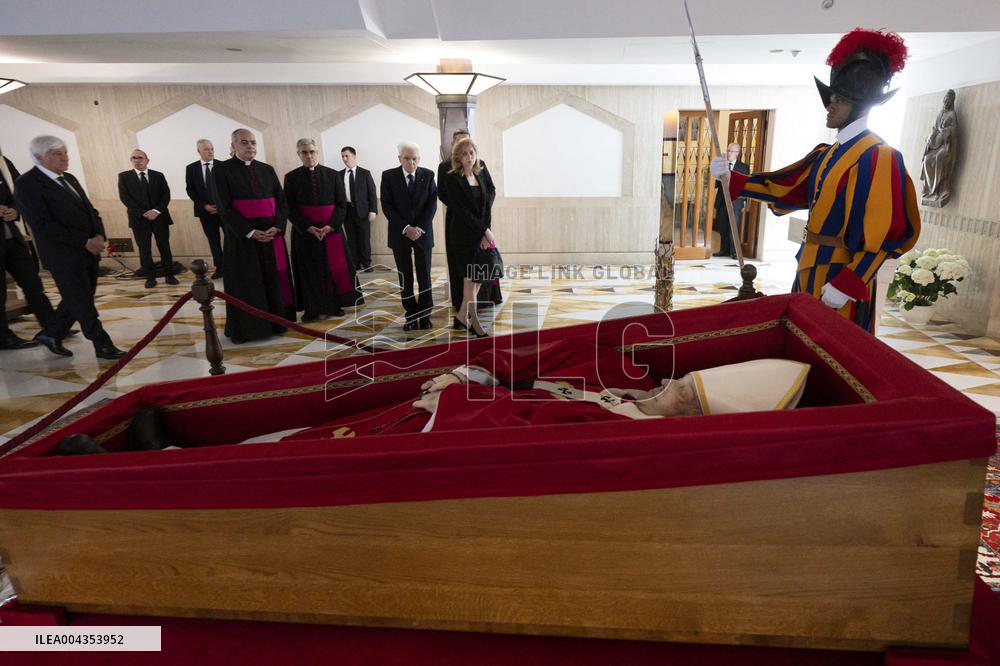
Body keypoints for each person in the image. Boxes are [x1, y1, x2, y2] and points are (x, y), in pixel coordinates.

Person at [711, 28, 920, 333]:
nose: (829, 105)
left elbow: (884, 235)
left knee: (835, 348)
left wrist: (850, 282)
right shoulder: (829, 153)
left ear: (860, 104)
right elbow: (787, 190)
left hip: (840, 277)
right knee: (805, 341)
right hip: (809, 267)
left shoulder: (879, 156)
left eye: (839, 99)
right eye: (831, 97)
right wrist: (732, 178)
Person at [14, 135, 125, 359]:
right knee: (82, 300)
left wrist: (99, 235)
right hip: (62, 254)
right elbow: (42, 224)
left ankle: (51, 333)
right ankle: (102, 344)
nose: (65, 158)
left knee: (80, 297)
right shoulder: (27, 184)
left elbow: (90, 211)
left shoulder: (69, 178)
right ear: (39, 157)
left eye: (65, 152)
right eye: (57, 154)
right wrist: (84, 241)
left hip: (88, 250)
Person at [213, 128, 293, 343]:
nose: (250, 146)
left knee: (272, 281)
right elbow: (224, 206)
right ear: (233, 146)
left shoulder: (267, 169)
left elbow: (281, 202)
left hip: (270, 236)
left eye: (253, 142)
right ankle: (246, 330)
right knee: (247, 283)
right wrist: (249, 232)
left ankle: (277, 324)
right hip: (243, 239)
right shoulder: (221, 170)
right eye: (244, 142)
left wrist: (277, 227)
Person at [284, 138, 363, 322]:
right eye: (304, 152)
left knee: (334, 268)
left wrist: (331, 226)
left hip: (331, 230)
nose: (309, 155)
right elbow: (289, 207)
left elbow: (341, 204)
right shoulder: (291, 177)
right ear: (299, 154)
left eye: (312, 151)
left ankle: (335, 306)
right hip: (305, 233)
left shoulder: (332, 175)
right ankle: (312, 309)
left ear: (317, 152)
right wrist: (307, 227)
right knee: (308, 270)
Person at [0, 144, 57, 351]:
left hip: (11, 236)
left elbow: (19, 190)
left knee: (33, 283)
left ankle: (53, 327)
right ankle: (3, 337)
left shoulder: (3, 162)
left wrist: (15, 211)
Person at [437, 128, 502, 310]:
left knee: (483, 266)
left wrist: (481, 210)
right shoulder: (446, 168)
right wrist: (465, 206)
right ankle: (464, 310)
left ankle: (480, 305)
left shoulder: (480, 165)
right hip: (459, 222)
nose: (468, 155)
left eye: (471, 150)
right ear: (454, 146)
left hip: (481, 220)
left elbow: (490, 190)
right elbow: (443, 194)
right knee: (465, 271)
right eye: (461, 146)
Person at [381, 141, 437, 331]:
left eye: (414, 158)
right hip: (400, 233)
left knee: (424, 276)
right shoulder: (388, 176)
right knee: (405, 278)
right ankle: (411, 316)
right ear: (399, 159)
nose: (411, 162)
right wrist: (406, 228)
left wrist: (418, 228)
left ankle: (425, 315)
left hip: (423, 233)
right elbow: (387, 206)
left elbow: (432, 205)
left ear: (419, 159)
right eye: (407, 158)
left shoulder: (428, 175)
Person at [117, 149, 177, 288]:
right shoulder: (124, 176)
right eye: (134, 158)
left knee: (164, 247)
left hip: (159, 217)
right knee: (144, 249)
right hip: (139, 219)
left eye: (140, 157)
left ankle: (169, 275)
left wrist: (156, 211)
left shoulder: (158, 175)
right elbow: (125, 197)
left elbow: (166, 194)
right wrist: (144, 213)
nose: (137, 160)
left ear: (147, 160)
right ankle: (150, 278)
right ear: (131, 160)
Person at [184, 139, 224, 279]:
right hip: (205, 212)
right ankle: (220, 268)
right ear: (199, 151)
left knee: (231, 240)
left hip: (224, 211)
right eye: (206, 149)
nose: (210, 151)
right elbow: (190, 190)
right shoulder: (191, 168)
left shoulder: (222, 166)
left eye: (212, 148)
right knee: (213, 241)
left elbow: (228, 188)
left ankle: (232, 266)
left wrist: (220, 206)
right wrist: (205, 205)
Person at [339, 146, 378, 273]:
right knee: (351, 239)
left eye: (347, 156)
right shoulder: (339, 175)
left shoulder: (365, 173)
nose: (344, 158)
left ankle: (366, 264)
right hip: (347, 212)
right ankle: (354, 264)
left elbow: (372, 193)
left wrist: (373, 210)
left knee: (364, 239)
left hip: (363, 212)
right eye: (343, 156)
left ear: (354, 156)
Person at [919, 89, 957, 207]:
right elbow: (934, 128)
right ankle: (929, 189)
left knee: (940, 157)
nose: (946, 102)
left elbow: (955, 131)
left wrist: (946, 130)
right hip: (936, 145)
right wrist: (930, 137)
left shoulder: (952, 114)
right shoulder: (940, 113)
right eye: (945, 99)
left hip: (946, 146)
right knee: (927, 159)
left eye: (948, 100)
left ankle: (939, 190)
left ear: (951, 101)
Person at [712, 143, 749, 259]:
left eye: (731, 151)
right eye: (728, 150)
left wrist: (744, 201)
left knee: (733, 227)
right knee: (722, 226)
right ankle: (724, 250)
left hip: (735, 201)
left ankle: (734, 252)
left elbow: (745, 185)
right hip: (722, 200)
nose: (728, 153)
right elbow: (716, 184)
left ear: (737, 153)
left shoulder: (743, 167)